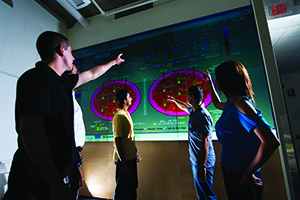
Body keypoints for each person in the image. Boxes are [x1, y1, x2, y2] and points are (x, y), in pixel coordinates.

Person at [3, 31, 124, 200]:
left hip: (53, 176)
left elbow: (91, 74)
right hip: (34, 180)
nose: (73, 58)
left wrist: (113, 62)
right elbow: (31, 132)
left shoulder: (63, 83)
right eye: (71, 52)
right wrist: (55, 182)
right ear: (61, 50)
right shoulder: (36, 79)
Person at [204, 60, 280, 200]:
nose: (216, 80)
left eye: (217, 77)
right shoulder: (232, 104)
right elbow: (216, 103)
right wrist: (209, 82)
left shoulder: (241, 104)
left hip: (242, 177)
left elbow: (271, 142)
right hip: (233, 174)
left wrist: (248, 174)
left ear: (225, 80)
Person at [167, 86, 217, 200]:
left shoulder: (202, 115)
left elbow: (205, 141)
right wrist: (175, 101)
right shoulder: (194, 111)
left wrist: (202, 166)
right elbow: (185, 107)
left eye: (188, 95)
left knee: (207, 194)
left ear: (192, 97)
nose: (186, 97)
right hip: (196, 160)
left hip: (203, 162)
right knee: (201, 193)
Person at [113, 89, 140, 200]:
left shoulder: (127, 114)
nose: (131, 99)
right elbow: (118, 141)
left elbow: (129, 137)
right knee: (121, 191)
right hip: (124, 160)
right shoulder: (119, 116)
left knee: (132, 187)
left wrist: (135, 151)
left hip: (130, 157)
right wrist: (123, 163)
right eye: (129, 97)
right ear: (124, 101)